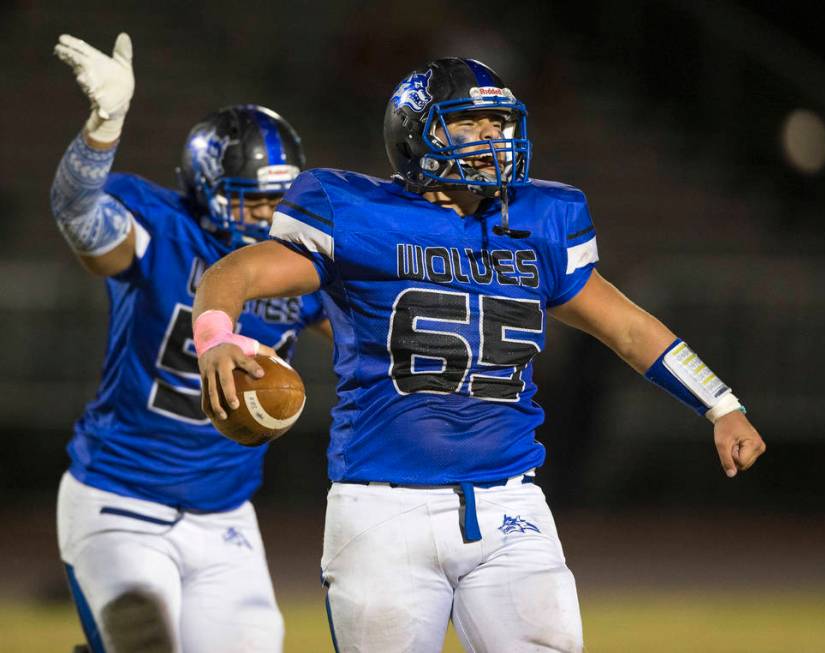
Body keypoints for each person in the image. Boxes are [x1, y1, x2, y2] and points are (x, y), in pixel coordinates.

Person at [193, 58, 766, 652]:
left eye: (500, 123)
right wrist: (215, 338)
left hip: (510, 502)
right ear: (418, 135)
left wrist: (719, 402)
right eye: (472, 123)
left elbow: (626, 327)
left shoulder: (537, 222)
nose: (495, 138)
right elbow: (234, 272)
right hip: (383, 509)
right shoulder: (359, 214)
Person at [52, 33, 329, 653]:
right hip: (120, 498)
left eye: (278, 201)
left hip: (226, 514)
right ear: (209, 190)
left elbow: (374, 329)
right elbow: (78, 214)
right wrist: (104, 124)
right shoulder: (162, 228)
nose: (268, 217)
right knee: (144, 644)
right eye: (253, 202)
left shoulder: (294, 262)